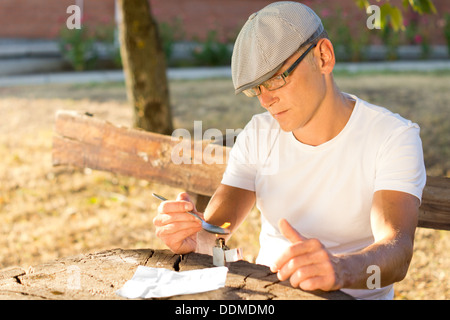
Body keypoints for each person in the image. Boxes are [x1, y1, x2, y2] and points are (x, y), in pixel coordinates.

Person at [153, 1, 426, 299]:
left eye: (275, 79)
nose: (265, 100)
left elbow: (397, 251)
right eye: (256, 88)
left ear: (323, 57)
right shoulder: (259, 133)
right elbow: (218, 228)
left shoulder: (392, 136)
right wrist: (195, 238)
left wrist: (339, 270)